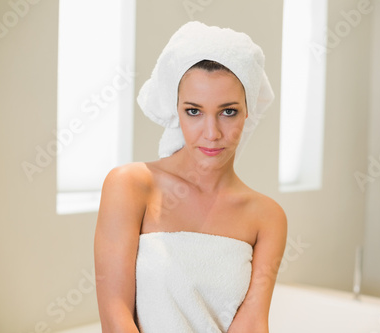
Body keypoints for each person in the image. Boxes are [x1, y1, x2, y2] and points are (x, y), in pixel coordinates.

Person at [94, 21, 287, 333]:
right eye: (194, 111)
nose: (211, 134)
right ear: (176, 110)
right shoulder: (131, 186)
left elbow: (252, 324)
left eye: (228, 111)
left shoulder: (267, 217)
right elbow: (116, 318)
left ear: (248, 111)